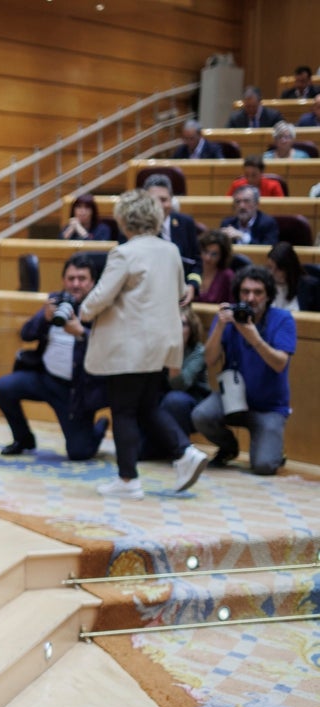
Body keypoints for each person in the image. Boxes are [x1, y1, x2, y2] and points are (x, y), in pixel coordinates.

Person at [78, 189, 208, 500]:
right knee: (148, 406)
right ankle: (185, 453)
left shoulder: (125, 253)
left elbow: (101, 296)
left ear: (125, 219)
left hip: (129, 345)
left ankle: (128, 479)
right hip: (162, 342)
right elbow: (179, 293)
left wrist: (83, 311)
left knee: (123, 410)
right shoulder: (171, 250)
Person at [0, 253, 109, 461]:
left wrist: (82, 333)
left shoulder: (100, 309)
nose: (75, 284)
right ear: (64, 280)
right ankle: (24, 439)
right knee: (2, 388)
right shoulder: (55, 301)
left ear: (92, 282)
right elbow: (26, 334)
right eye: (71, 278)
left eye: (82, 279)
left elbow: (110, 348)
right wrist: (44, 319)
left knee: (79, 453)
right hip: (45, 379)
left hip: (76, 391)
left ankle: (98, 427)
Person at [191, 266, 295, 475]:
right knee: (201, 415)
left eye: (258, 292)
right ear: (237, 294)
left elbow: (279, 363)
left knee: (264, 466)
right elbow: (210, 360)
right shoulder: (228, 318)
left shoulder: (283, 319)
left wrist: (254, 338)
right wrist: (219, 327)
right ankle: (229, 448)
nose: (250, 298)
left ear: (268, 296)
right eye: (245, 292)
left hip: (269, 407)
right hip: (233, 401)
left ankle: (273, 447)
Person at [141, 307, 210, 460]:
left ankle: (181, 451)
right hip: (162, 402)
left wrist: (174, 353)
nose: (177, 329)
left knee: (175, 399)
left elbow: (180, 385)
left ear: (192, 329)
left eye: (183, 324)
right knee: (139, 452)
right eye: (173, 324)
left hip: (191, 403)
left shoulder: (198, 351)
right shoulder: (158, 347)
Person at [142, 174, 201, 302]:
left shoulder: (186, 223)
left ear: (172, 201)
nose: (159, 205)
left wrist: (192, 285)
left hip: (181, 298)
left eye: (164, 200)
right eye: (154, 200)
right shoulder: (134, 228)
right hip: (147, 299)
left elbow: (196, 262)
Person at [265, 241, 320, 312]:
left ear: (289, 269)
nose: (272, 272)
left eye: (278, 269)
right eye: (269, 267)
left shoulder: (310, 287)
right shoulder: (265, 284)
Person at [196, 230, 236, 305]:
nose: (208, 258)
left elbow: (232, 306)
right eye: (205, 251)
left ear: (222, 256)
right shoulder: (192, 271)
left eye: (214, 254)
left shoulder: (228, 276)